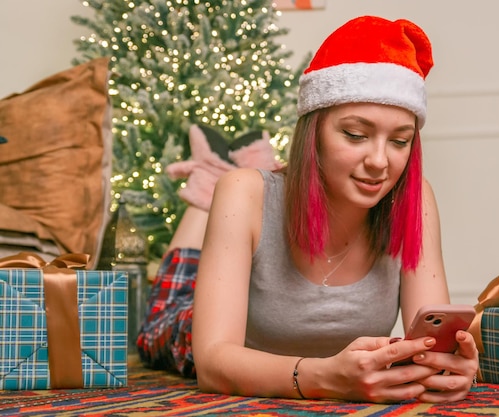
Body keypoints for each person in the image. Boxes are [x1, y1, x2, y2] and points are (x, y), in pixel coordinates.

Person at [137, 15, 479, 404]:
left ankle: (244, 159)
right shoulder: (242, 193)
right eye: (356, 135)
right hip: (185, 323)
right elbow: (213, 363)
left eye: (400, 141)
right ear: (313, 133)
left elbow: (430, 342)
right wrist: (323, 377)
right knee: (164, 309)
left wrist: (445, 366)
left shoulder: (417, 202)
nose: (380, 162)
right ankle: (208, 174)